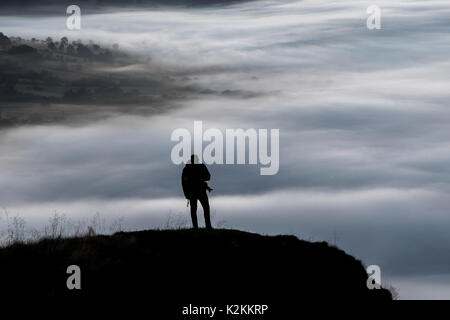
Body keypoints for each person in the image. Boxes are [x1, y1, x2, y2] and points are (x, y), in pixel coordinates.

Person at [182, 154, 213, 229]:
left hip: (197, 191)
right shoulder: (188, 168)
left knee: (200, 209)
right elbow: (183, 182)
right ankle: (203, 227)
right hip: (196, 192)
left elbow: (208, 177)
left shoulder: (187, 168)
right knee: (200, 209)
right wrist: (186, 193)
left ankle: (202, 226)